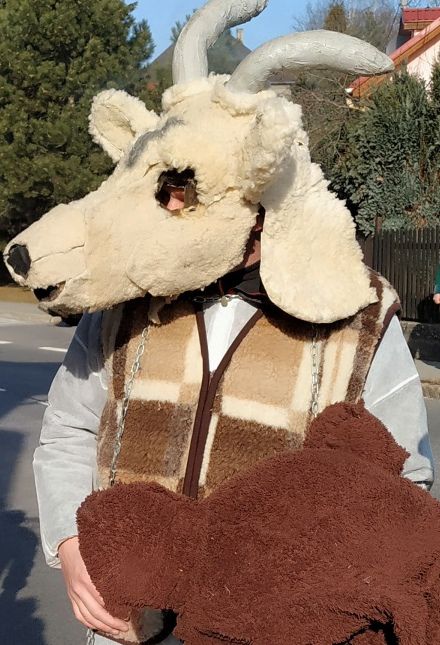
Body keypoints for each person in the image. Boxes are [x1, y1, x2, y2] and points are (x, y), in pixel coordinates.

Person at [2, 2, 434, 643]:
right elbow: (69, 430)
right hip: (126, 623)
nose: (168, 207)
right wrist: (69, 544)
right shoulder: (126, 305)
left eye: (180, 191)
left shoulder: (359, 317)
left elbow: (402, 485)